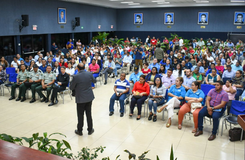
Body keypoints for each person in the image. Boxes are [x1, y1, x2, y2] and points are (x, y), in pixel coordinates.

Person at [70, 63, 96, 136]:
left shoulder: (76, 77)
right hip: (89, 97)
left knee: (80, 115)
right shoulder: (89, 74)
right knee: (89, 114)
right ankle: (90, 129)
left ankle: (80, 130)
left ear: (78, 68)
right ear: (84, 67)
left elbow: (71, 87)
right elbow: (94, 81)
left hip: (80, 98)